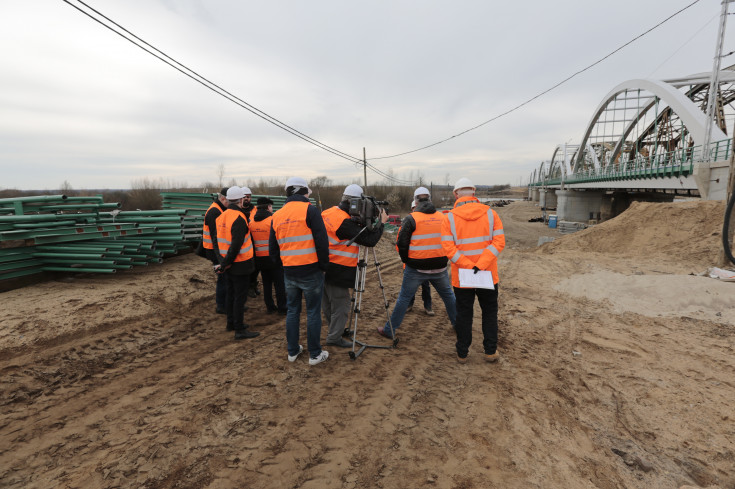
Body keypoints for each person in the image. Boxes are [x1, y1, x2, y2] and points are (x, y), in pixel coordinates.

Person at [377, 187, 456, 339]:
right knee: (448, 296)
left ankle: (389, 330)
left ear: (416, 200)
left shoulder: (411, 219)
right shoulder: (444, 217)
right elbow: (450, 241)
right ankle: (458, 324)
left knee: (404, 298)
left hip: (416, 268)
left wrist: (407, 261)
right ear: (430, 199)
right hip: (439, 267)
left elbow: (402, 244)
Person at [440, 177, 505, 364]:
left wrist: (468, 266)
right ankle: (490, 351)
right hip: (487, 275)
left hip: (462, 276)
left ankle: (462, 353)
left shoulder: (449, 218)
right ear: (474, 193)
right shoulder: (491, 214)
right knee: (490, 313)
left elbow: (448, 248)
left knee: (464, 314)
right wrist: (481, 264)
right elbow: (499, 242)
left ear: (456, 194)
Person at [269, 177, 330, 365]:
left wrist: (283, 266)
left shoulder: (277, 215)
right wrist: (323, 266)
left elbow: (273, 249)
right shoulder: (310, 211)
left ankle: (293, 351)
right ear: (304, 192)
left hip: (289, 271)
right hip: (310, 271)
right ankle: (314, 354)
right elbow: (322, 242)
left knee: (293, 310)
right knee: (312, 312)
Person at [321, 184, 387, 348]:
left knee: (328, 303)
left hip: (321, 266)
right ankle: (334, 338)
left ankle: (334, 330)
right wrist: (382, 223)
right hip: (338, 268)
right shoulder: (343, 222)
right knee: (341, 305)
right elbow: (370, 240)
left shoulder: (328, 212)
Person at [215, 186, 261, 340]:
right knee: (239, 298)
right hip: (240, 264)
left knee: (230, 294)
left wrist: (222, 262)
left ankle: (231, 323)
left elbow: (217, 241)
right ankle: (239, 329)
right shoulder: (239, 218)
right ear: (241, 200)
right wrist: (226, 262)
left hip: (227, 263)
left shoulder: (222, 216)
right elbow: (236, 245)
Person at [250, 196, 287, 314]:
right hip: (274, 258)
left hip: (260, 259)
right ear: (268, 207)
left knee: (266, 284)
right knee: (279, 284)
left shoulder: (252, 223)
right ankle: (282, 308)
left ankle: (270, 307)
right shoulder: (272, 220)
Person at [202, 187, 228, 314]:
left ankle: (225, 303)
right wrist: (220, 257)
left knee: (224, 277)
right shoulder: (214, 212)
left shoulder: (219, 209)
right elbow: (215, 237)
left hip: (215, 250)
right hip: (214, 251)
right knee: (222, 278)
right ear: (223, 198)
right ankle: (221, 305)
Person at [404, 201, 433, 315]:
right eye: (414, 208)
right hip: (410, 262)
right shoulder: (408, 222)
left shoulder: (425, 223)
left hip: (423, 261)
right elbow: (400, 243)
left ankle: (428, 306)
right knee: (410, 287)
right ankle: (409, 305)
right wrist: (407, 257)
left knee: (426, 286)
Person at [241, 186, 261, 300]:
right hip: (243, 243)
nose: (246, 199)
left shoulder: (255, 210)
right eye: (244, 197)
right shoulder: (238, 210)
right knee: (246, 267)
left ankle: (253, 285)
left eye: (248, 197)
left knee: (256, 267)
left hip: (254, 241)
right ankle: (248, 287)